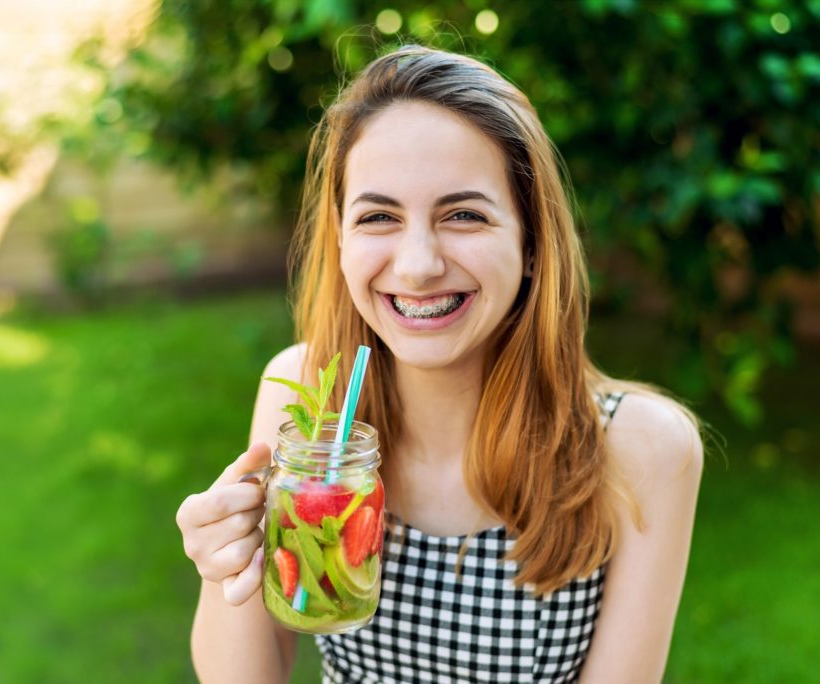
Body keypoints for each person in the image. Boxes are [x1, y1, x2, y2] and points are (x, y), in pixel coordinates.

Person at [176, 45, 703, 683]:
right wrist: (227, 565)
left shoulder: (640, 448)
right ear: (341, 238)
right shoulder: (304, 400)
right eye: (378, 217)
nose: (418, 263)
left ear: (532, 241)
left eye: (463, 215)